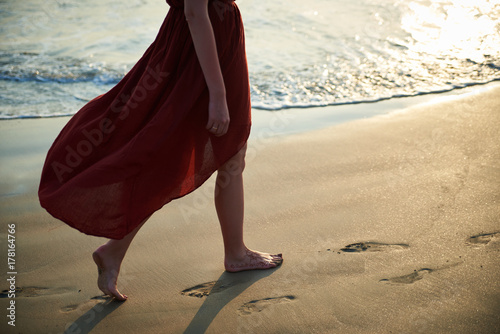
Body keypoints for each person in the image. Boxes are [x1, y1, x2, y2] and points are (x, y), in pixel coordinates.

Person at [38, 0, 282, 301]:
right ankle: (233, 253)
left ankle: (230, 252)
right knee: (171, 152)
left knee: (227, 154)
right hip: (200, 53)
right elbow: (194, 12)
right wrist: (217, 94)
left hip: (212, 44)